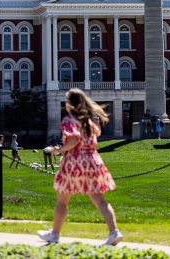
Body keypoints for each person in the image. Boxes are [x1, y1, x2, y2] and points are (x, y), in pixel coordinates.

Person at [37, 88, 122, 246]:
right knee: (99, 199)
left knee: (62, 200)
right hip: (92, 160)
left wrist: (59, 150)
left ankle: (54, 234)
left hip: (75, 162)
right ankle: (114, 232)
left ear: (70, 104)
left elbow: (73, 141)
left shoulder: (69, 120)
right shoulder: (89, 121)